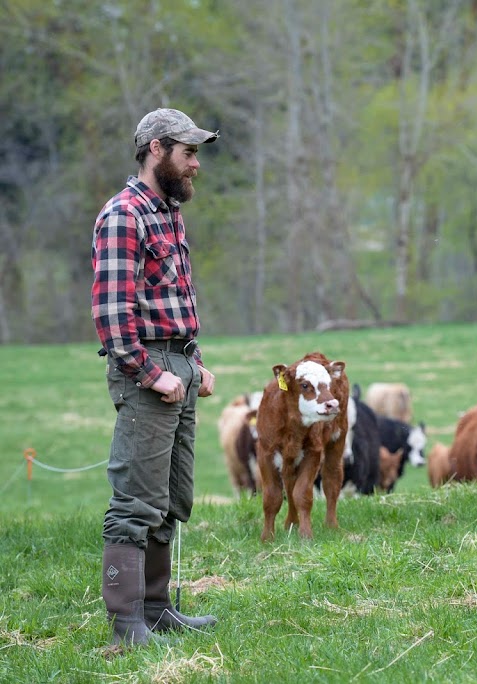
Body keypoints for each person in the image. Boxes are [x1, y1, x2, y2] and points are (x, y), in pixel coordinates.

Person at [91, 108, 220, 648]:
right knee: (135, 502)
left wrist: (193, 362)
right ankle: (126, 626)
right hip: (149, 374)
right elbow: (114, 316)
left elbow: (170, 302)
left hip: (178, 367)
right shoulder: (124, 215)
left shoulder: (167, 213)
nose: (195, 165)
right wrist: (151, 374)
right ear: (157, 149)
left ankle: (157, 608)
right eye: (189, 153)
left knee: (171, 499)